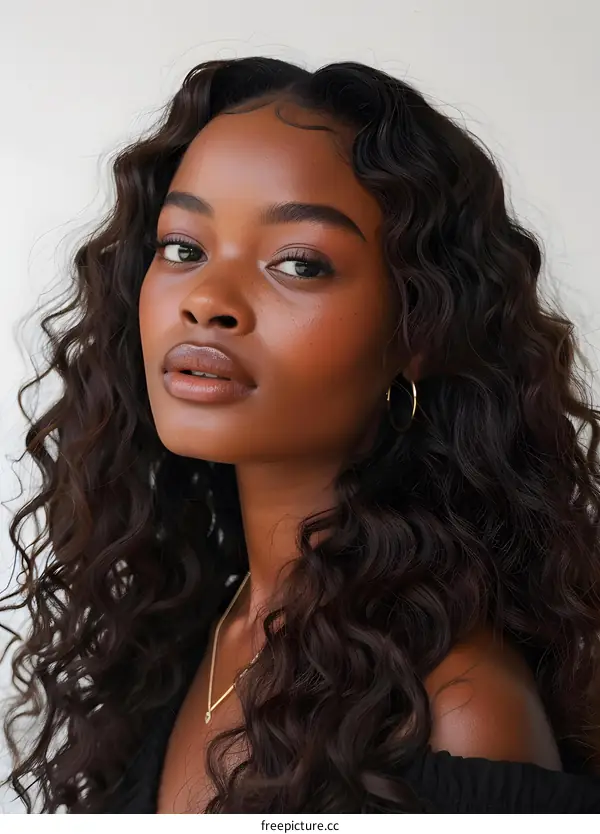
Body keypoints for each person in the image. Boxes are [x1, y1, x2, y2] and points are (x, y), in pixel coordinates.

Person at [2, 56, 600, 814]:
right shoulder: (185, 631)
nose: (207, 301)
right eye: (183, 248)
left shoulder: (456, 712)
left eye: (299, 263)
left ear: (418, 329)